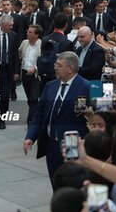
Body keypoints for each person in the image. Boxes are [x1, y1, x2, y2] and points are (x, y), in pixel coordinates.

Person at [23, 51, 89, 190]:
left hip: (72, 144)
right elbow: (40, 114)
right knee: (55, 182)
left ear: (70, 68)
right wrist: (31, 136)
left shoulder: (87, 87)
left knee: (72, 184)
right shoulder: (50, 86)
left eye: (59, 65)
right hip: (51, 144)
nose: (55, 67)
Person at [19, 24, 42, 125]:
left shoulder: (41, 44)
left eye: (30, 32)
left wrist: (35, 68)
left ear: (36, 35)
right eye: (28, 31)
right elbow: (20, 54)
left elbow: (43, 60)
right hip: (25, 73)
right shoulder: (24, 43)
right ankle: (35, 112)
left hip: (36, 75)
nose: (27, 33)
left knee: (34, 98)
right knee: (29, 97)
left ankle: (31, 120)